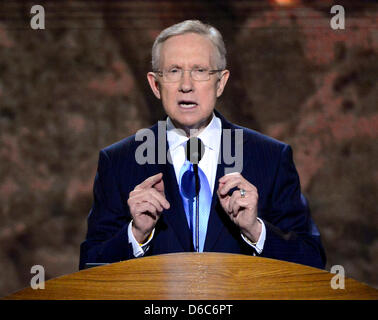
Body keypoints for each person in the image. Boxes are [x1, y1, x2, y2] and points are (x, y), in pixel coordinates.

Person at [79, 20, 326, 270]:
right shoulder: (119, 162)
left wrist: (256, 230)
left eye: (200, 71)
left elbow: (312, 261)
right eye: (174, 71)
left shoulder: (270, 158)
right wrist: (135, 235)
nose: (186, 85)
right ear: (155, 84)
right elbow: (89, 269)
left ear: (221, 82)